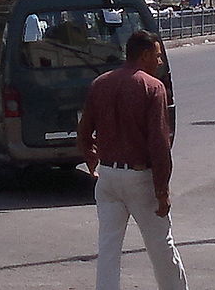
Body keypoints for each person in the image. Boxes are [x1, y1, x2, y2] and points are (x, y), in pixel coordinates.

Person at [77, 29, 188, 290]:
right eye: (158, 56)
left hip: (108, 177)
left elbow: (84, 131)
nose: (160, 62)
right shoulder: (153, 87)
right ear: (145, 55)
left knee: (108, 248)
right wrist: (162, 190)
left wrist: (92, 159)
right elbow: (159, 144)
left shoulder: (100, 83)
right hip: (139, 178)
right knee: (161, 245)